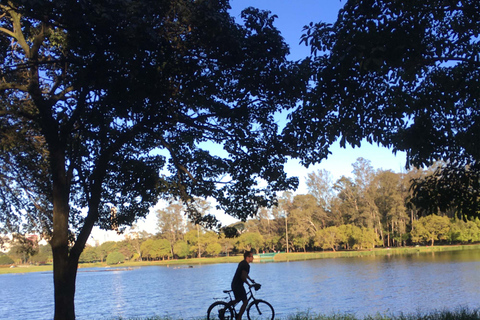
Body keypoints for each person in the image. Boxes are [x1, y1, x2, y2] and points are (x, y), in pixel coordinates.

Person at [229, 251, 254, 320]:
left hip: (236, 284)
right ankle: (239, 317)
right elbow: (243, 277)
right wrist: (249, 284)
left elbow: (245, 274)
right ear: (247, 257)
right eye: (252, 256)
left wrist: (250, 280)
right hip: (238, 285)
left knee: (238, 299)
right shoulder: (245, 265)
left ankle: (227, 307)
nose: (253, 258)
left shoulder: (243, 263)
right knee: (245, 302)